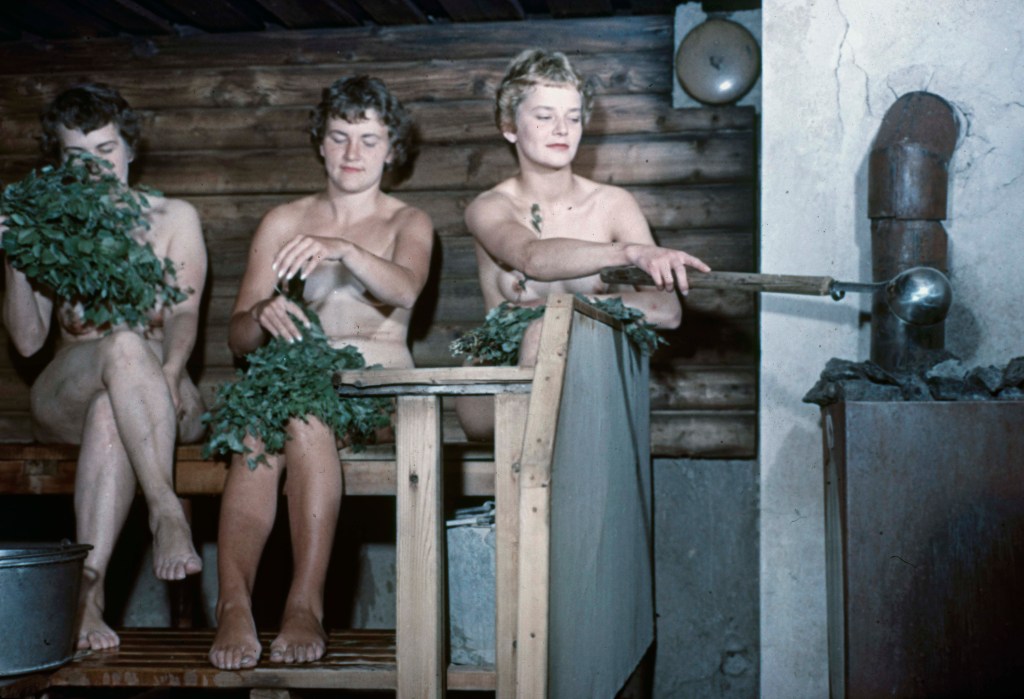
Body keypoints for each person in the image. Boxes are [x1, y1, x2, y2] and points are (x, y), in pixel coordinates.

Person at [208, 76, 433, 670]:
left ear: (392, 149)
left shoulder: (408, 221)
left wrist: (345, 249)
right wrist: (261, 313)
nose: (353, 153)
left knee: (302, 412)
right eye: (339, 137)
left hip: (375, 395)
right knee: (260, 425)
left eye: (369, 139)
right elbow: (237, 337)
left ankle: (305, 603)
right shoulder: (283, 221)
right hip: (294, 388)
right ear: (320, 142)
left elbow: (406, 289)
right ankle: (233, 603)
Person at [1, 83, 207, 650]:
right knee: (122, 344)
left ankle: (89, 598)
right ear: (57, 160)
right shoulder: (45, 223)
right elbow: (27, 342)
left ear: (130, 148)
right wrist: (14, 258)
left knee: (112, 410)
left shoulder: (174, 217)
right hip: (67, 385)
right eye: (76, 156)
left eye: (106, 150)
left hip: (162, 382)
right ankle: (166, 512)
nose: (93, 168)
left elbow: (185, 313)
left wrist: (172, 373)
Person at [456, 49, 711, 439]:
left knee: (547, 336)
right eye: (545, 116)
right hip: (499, 385)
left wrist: (555, 311)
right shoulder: (490, 207)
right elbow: (531, 258)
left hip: (586, 382)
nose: (562, 129)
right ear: (509, 126)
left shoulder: (613, 204)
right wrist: (628, 253)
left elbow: (667, 310)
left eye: (573, 118)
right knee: (538, 340)